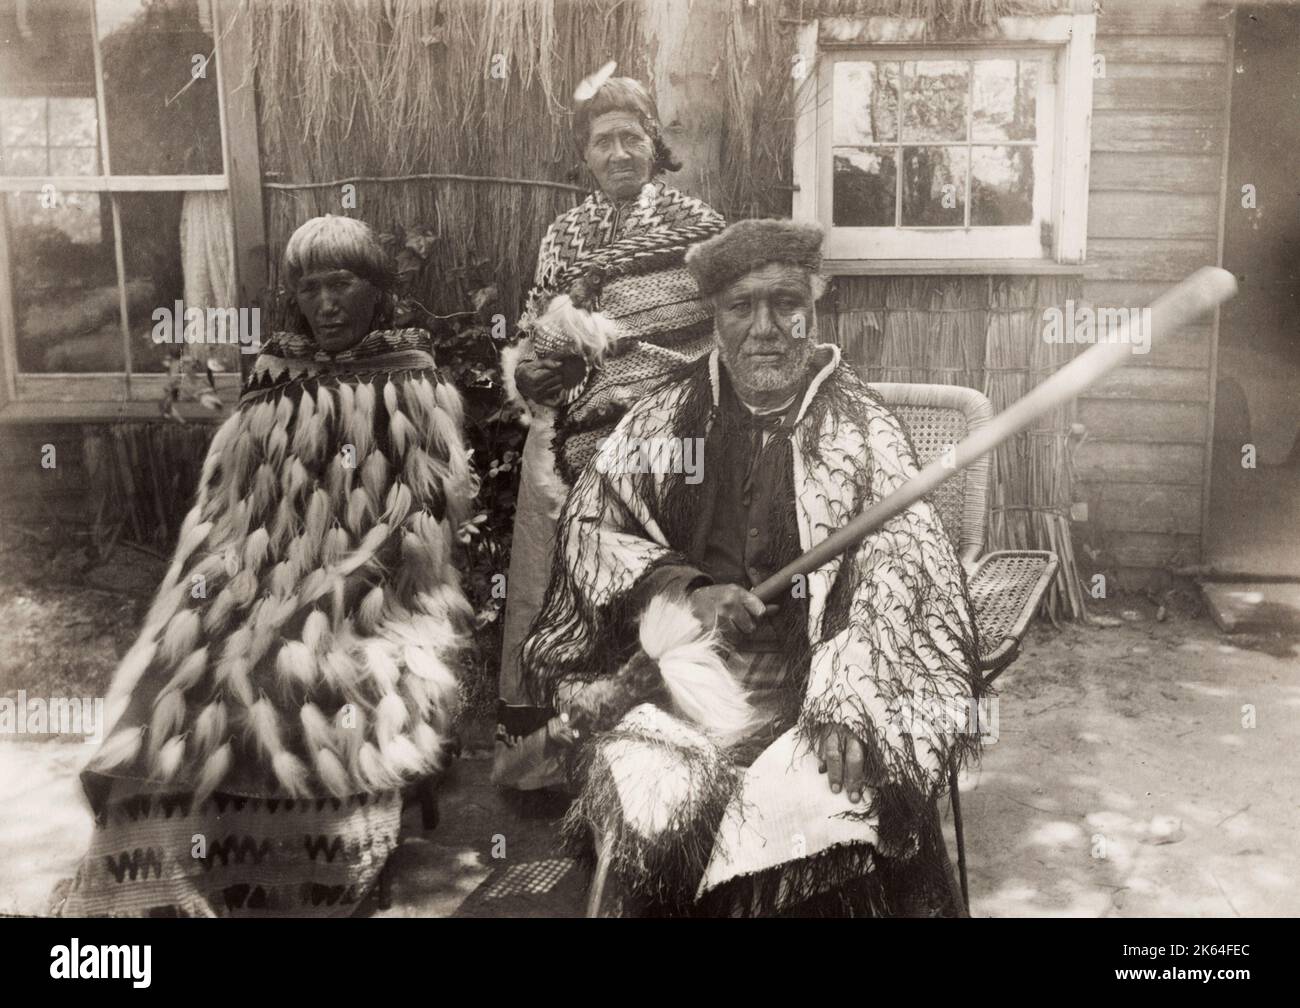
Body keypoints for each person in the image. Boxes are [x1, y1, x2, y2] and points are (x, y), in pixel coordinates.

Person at [521, 219, 983, 916]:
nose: (764, 327)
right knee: (652, 797)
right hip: (683, 679)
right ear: (715, 318)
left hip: (820, 679)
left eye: (785, 303)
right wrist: (684, 590)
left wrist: (852, 700)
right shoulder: (668, 422)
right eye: (742, 307)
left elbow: (902, 573)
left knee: (817, 821)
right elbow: (594, 528)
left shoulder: (860, 430)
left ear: (812, 311)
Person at [60, 216, 476, 917]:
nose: (326, 305)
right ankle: (165, 884)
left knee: (304, 672)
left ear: (377, 293)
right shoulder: (274, 382)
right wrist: (212, 585)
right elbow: (228, 510)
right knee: (182, 672)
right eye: (310, 289)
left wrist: (345, 580)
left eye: (341, 285)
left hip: (374, 585)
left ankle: (311, 878)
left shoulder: (413, 383)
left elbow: (422, 518)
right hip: (261, 575)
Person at [493, 76, 725, 791]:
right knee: (564, 563)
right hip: (573, 430)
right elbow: (537, 332)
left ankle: (666, 750)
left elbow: (717, 335)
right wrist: (544, 362)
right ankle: (570, 750)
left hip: (673, 427)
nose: (620, 152)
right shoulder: (564, 234)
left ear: (656, 144)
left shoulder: (701, 226)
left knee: (651, 573)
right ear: (584, 155)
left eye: (633, 137)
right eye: (603, 141)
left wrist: (639, 387)